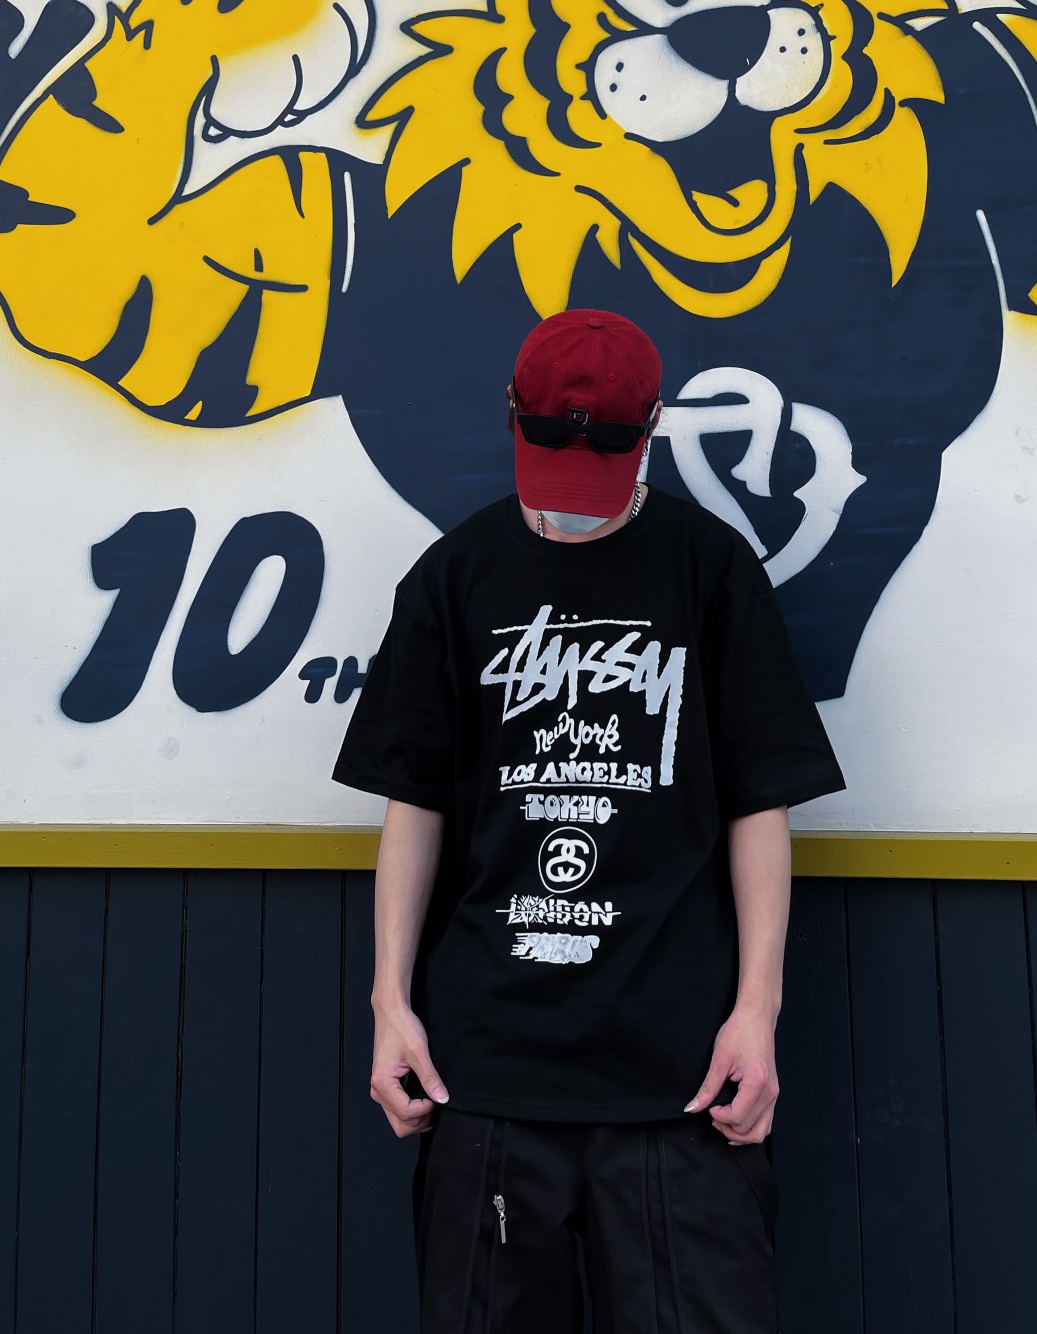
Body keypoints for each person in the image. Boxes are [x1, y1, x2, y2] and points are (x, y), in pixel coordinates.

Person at [333, 306, 844, 1332]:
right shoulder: (454, 577)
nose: (571, 501)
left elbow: (760, 800)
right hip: (487, 1069)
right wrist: (389, 1002)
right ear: (510, 414)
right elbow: (414, 800)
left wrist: (757, 1012)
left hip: (679, 1075)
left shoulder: (710, 570)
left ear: (650, 427)